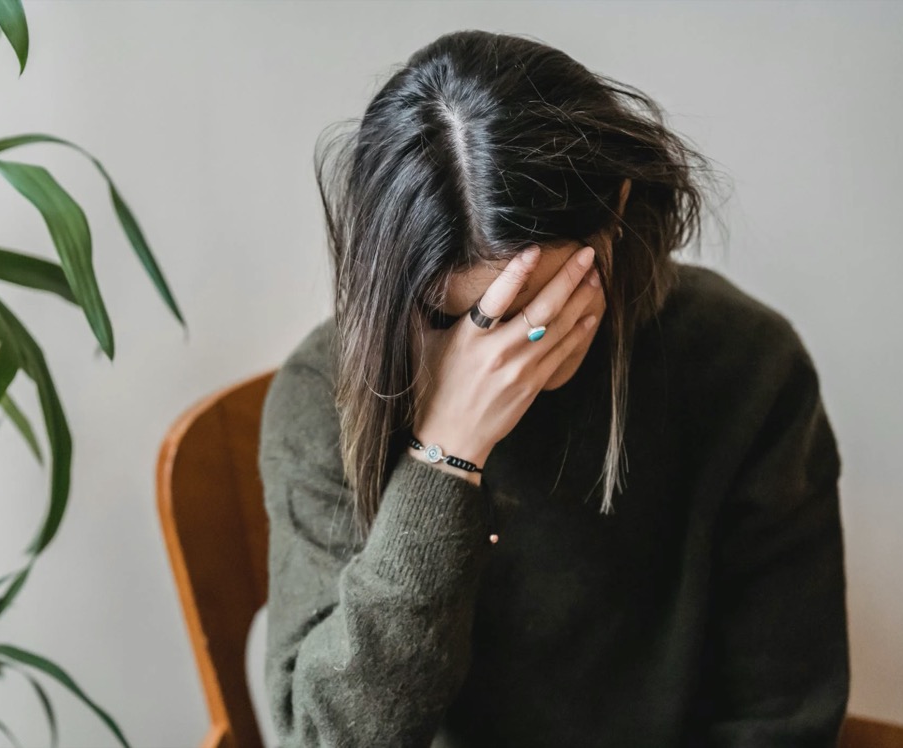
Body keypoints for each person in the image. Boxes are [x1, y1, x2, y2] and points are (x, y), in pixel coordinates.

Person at [259, 29, 848, 748]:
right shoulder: (326, 396)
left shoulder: (746, 365)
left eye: (538, 306)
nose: (503, 352)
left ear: (618, 211)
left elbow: (782, 717)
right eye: (457, 317)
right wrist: (443, 461)